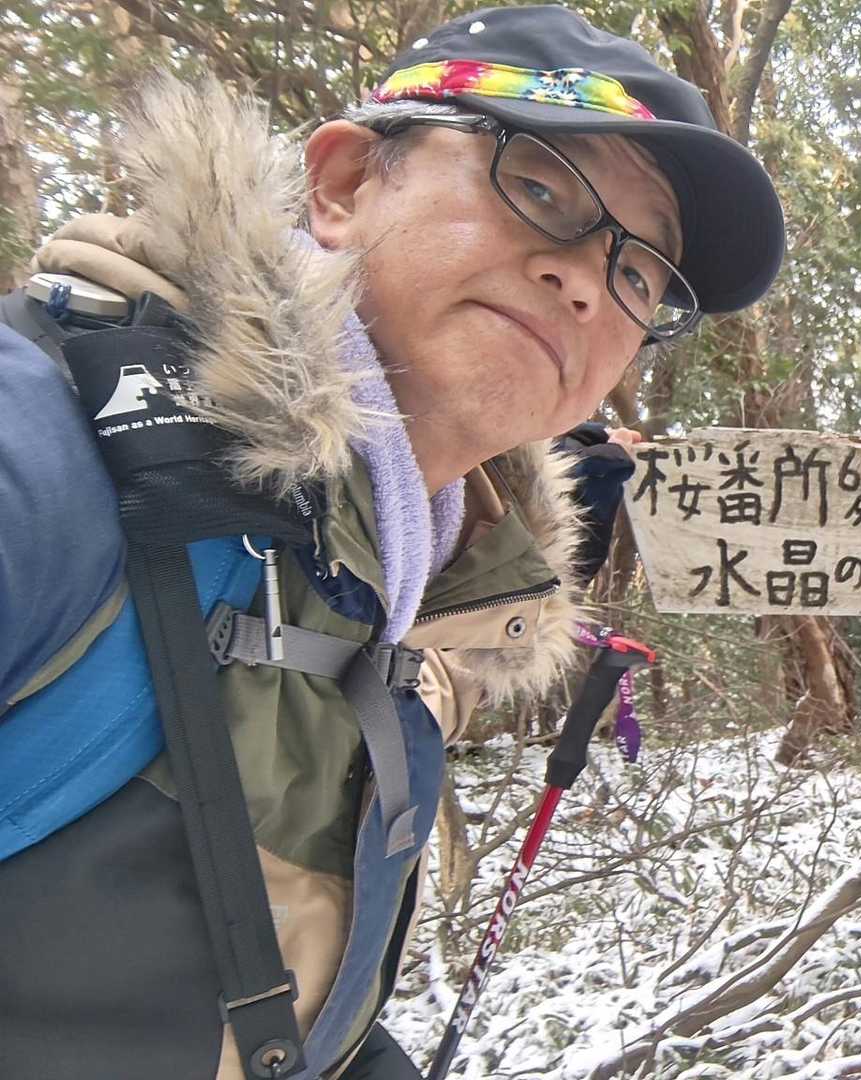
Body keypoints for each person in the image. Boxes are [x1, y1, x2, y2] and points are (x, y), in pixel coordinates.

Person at [0, 6, 783, 1078]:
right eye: (540, 185)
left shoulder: (414, 589)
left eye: (640, 273)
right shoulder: (47, 455)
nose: (585, 279)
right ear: (342, 184)